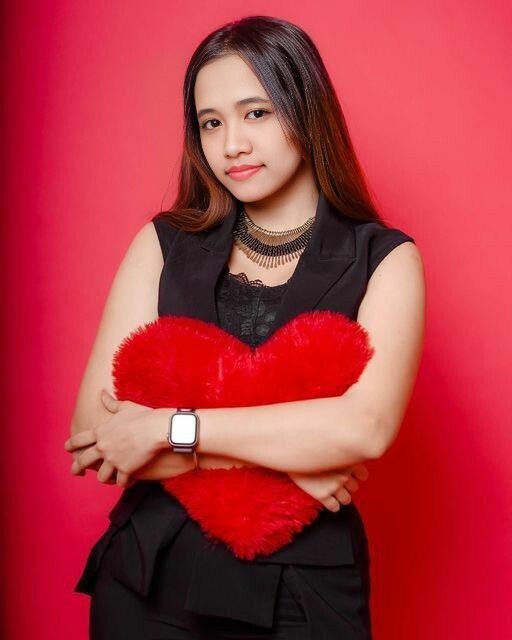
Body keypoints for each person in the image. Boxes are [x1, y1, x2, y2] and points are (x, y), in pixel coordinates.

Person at [65, 15, 425, 640]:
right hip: (148, 581)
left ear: (305, 108)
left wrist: (164, 430)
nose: (231, 143)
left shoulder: (386, 259)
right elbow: (98, 436)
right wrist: (292, 458)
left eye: (255, 113)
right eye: (211, 123)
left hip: (304, 593)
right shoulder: (162, 243)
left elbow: (363, 429)